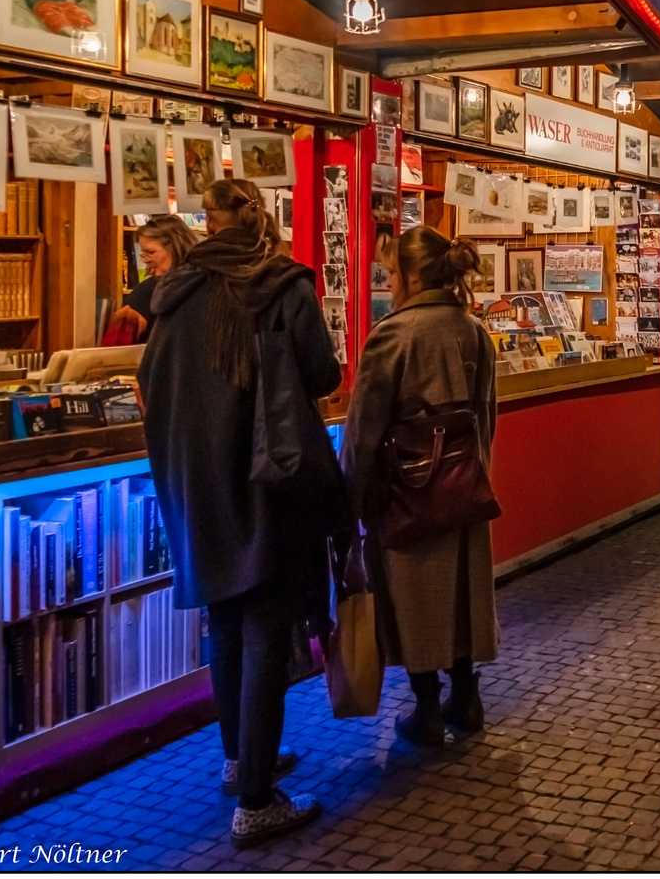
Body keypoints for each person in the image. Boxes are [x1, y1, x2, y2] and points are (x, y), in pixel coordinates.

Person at [138, 178, 345, 847]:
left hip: (193, 478)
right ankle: (257, 801)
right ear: (262, 223)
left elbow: (154, 382)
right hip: (267, 475)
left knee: (224, 624)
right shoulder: (283, 284)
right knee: (264, 631)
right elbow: (322, 374)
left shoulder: (175, 293)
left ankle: (239, 762)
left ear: (206, 224)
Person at [341, 226, 500, 746]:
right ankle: (467, 696)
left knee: (411, 598)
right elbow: (487, 416)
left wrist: (354, 496)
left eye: (390, 274)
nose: (388, 284)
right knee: (461, 596)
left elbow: (364, 427)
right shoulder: (472, 329)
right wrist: (474, 468)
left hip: (408, 492)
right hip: (465, 485)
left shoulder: (393, 334)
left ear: (411, 276)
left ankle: (426, 706)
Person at [106, 215, 198, 343]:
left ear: (174, 247)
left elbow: (115, 347)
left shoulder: (146, 292)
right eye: (143, 253)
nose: (145, 260)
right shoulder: (207, 283)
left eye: (151, 252)